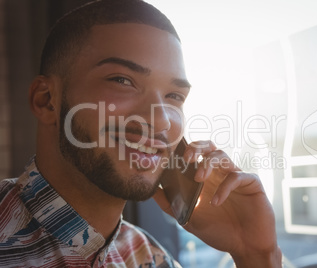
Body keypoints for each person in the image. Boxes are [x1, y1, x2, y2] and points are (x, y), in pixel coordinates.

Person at [0, 0, 282, 267]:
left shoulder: (147, 256)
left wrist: (255, 254)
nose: (161, 121)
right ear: (46, 100)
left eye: (174, 96)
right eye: (122, 80)